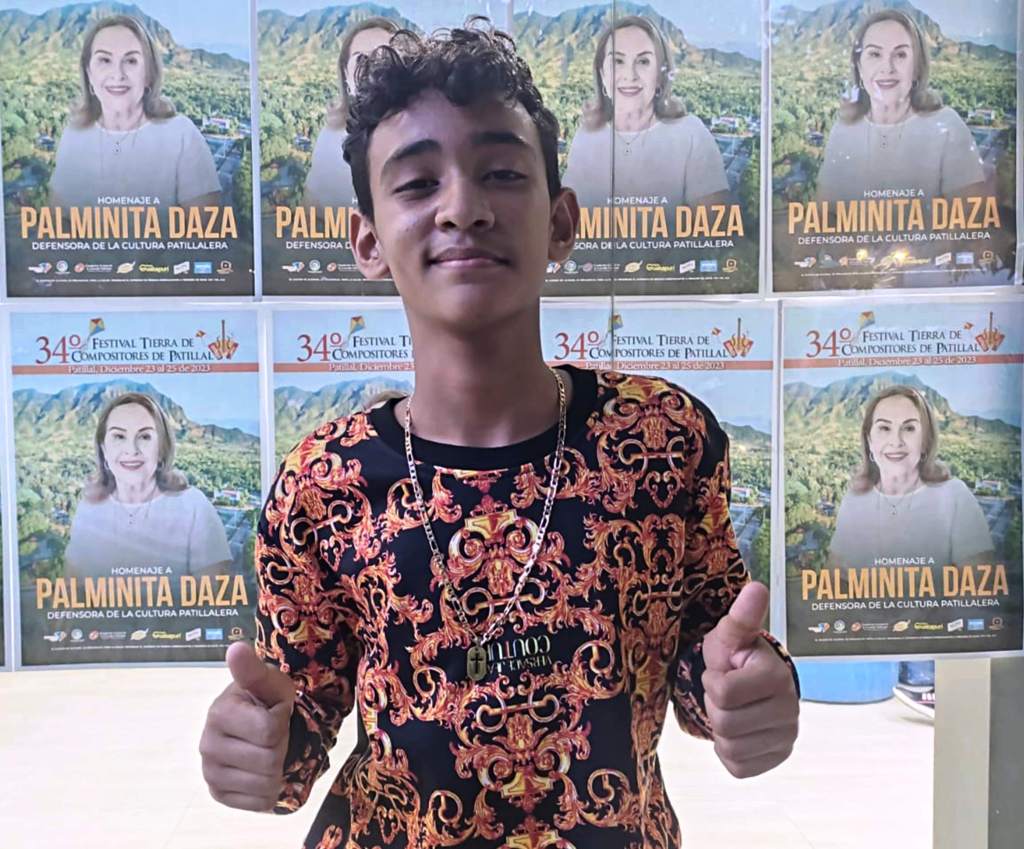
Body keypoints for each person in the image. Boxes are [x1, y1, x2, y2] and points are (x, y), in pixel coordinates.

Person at [200, 22, 799, 847]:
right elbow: (297, 716)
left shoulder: (661, 441)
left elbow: (711, 652)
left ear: (560, 223)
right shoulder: (324, 483)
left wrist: (753, 691)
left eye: (503, 173)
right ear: (368, 240)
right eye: (418, 183)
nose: (463, 208)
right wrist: (256, 749)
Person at [828, 385, 995, 718]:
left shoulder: (954, 495)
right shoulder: (855, 500)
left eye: (909, 428)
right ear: (869, 440)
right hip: (869, 652)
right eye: (884, 428)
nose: (896, 441)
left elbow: (982, 584)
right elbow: (835, 580)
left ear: (926, 440)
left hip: (933, 653)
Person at [816, 9, 985, 204]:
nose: (887, 67)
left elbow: (971, 217)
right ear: (860, 67)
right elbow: (826, 213)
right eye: (875, 54)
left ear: (917, 68)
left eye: (900, 55)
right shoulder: (843, 130)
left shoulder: (947, 127)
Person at [50, 14, 221, 207]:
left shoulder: (182, 136)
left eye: (131, 61)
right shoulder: (74, 135)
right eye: (104, 60)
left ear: (148, 74)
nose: (117, 75)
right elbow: (59, 218)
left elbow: (206, 224)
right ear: (89, 72)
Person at [562, 15, 730, 209]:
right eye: (618, 61)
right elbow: (570, 219)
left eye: (643, 61)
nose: (630, 75)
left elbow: (716, 222)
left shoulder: (691, 134)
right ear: (602, 74)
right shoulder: (586, 138)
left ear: (660, 75)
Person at [64, 392, 231, 580]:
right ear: (104, 448)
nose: (131, 450)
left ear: (161, 448)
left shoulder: (194, 507)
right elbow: (74, 589)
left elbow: (215, 592)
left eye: (144, 437)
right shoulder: (89, 510)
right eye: (119, 436)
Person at [302, 16, 400, 207]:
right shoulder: (331, 137)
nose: (373, 68)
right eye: (361, 59)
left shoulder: (425, 131)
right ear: (346, 75)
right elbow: (311, 208)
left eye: (384, 57)